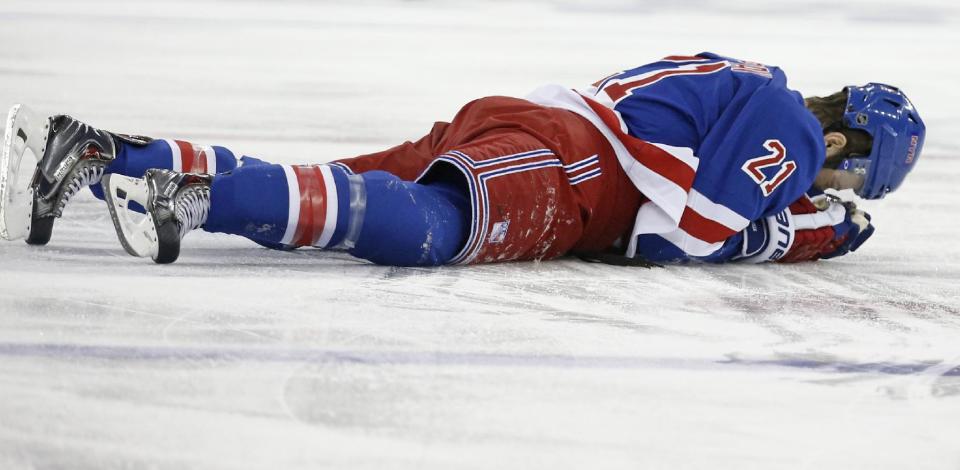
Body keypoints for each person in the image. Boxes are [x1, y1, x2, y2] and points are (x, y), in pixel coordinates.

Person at [0, 52, 925, 266]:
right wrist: (804, 235)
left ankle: (102, 152)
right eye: (841, 174)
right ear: (838, 141)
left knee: (322, 184)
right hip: (569, 169)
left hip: (524, 123)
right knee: (434, 230)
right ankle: (193, 195)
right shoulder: (795, 133)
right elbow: (674, 244)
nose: (823, 183)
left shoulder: (748, 77)